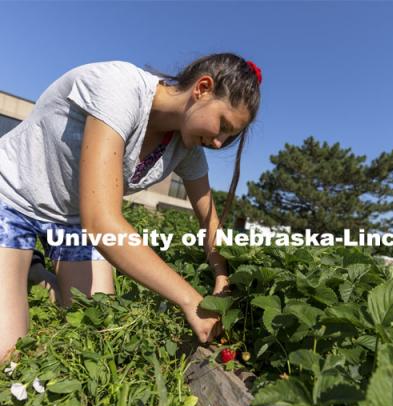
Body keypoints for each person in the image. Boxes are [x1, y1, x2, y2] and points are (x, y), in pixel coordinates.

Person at [0, 53, 262, 363]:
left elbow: (209, 220)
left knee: (96, 326)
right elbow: (101, 222)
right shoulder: (120, 88)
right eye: (222, 126)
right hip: (11, 198)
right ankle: (22, 266)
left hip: (70, 223)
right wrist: (191, 300)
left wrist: (222, 274)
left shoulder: (185, 147)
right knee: (9, 355)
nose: (218, 143)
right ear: (202, 88)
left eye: (228, 137)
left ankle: (35, 269)